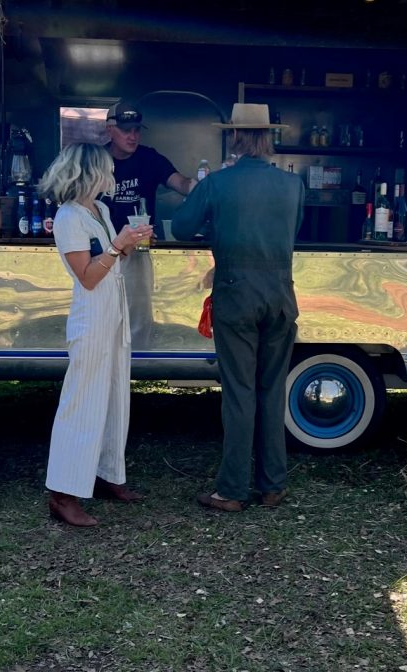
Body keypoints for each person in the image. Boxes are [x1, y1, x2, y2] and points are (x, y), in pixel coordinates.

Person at [171, 103, 304, 512]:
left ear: (234, 137)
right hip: (281, 295)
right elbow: (292, 232)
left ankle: (231, 489)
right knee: (271, 389)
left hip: (235, 294)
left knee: (239, 394)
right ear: (269, 138)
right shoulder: (292, 185)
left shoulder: (218, 184)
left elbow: (180, 228)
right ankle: (272, 485)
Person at [38, 142, 153, 528]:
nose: (113, 176)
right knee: (82, 401)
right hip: (92, 316)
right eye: (107, 169)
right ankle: (62, 493)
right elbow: (87, 278)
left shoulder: (100, 210)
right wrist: (118, 245)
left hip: (114, 314)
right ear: (91, 173)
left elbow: (110, 260)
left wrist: (127, 245)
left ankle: (107, 474)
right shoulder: (69, 218)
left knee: (115, 394)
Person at [103, 99, 196, 349]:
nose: (133, 136)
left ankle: (134, 367)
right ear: (109, 128)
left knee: (138, 317)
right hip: (102, 251)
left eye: (136, 130)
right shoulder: (97, 161)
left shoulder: (150, 158)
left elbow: (183, 184)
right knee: (103, 315)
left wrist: (206, 184)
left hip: (139, 251)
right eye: (126, 130)